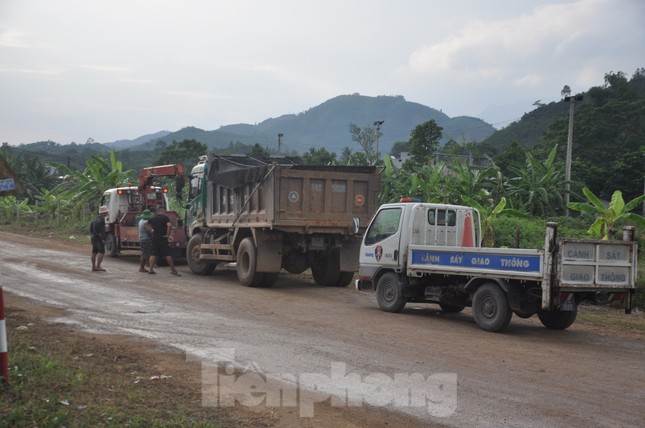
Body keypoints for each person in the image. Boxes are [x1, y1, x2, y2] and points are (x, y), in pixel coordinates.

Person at [147, 206, 180, 276]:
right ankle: (173, 269)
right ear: (163, 212)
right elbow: (169, 225)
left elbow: (146, 224)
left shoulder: (153, 218)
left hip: (155, 238)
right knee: (168, 254)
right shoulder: (165, 218)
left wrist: (152, 230)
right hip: (162, 238)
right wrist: (167, 235)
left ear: (157, 212)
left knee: (153, 253)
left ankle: (151, 269)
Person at [90, 205, 109, 272]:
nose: (107, 213)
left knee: (94, 251)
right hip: (98, 237)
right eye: (106, 212)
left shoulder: (95, 218)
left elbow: (91, 227)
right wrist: (101, 235)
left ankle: (93, 267)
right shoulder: (101, 219)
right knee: (101, 251)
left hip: (93, 236)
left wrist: (94, 233)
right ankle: (98, 266)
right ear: (104, 212)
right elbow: (100, 228)